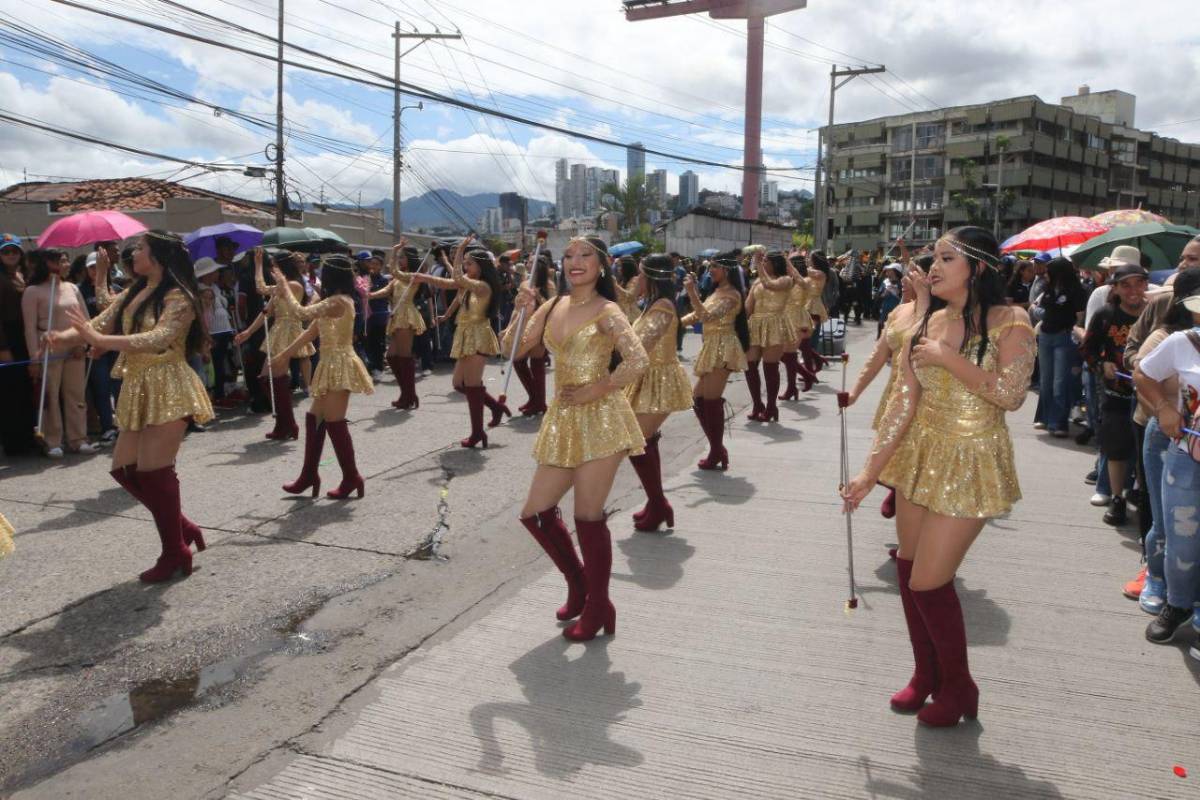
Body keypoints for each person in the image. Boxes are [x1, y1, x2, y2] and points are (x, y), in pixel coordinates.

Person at [842, 226, 1035, 728]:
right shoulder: (928, 320)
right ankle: (926, 672)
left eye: (947, 258)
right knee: (908, 568)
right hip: (920, 454)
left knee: (930, 582)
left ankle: (960, 686)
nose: (933, 266)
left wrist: (950, 359)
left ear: (980, 268)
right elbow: (905, 401)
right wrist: (869, 472)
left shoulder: (1011, 320)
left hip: (971, 458)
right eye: (934, 258)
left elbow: (1011, 395)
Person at [502, 235, 648, 641]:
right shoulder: (551, 306)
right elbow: (508, 350)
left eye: (585, 255)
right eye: (568, 256)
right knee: (534, 511)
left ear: (601, 265)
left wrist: (597, 388)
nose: (575, 261)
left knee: (587, 515)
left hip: (601, 419)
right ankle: (581, 585)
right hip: (563, 419)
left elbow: (638, 359)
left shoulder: (608, 310)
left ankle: (598, 607)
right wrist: (519, 313)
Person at [49, 231, 213, 582]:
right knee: (125, 470)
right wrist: (61, 338)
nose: (133, 252)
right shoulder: (137, 291)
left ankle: (175, 551)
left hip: (169, 384)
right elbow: (103, 318)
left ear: (158, 257)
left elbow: (158, 338)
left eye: (140, 248)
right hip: (138, 386)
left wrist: (102, 342)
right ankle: (183, 528)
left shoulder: (179, 296)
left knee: (155, 471)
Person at [271, 254, 373, 500]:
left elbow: (300, 313)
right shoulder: (330, 301)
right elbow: (311, 331)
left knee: (335, 422)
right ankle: (309, 476)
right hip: (329, 364)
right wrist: (284, 354)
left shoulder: (338, 301)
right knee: (313, 417)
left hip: (340, 364)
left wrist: (284, 285)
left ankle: (351, 477)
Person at [1128, 268, 1200, 613]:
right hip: (1169, 438)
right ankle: (1157, 577)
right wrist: (1164, 409)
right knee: (1167, 523)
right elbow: (1140, 374)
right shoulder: (1171, 338)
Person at [845, 256, 932, 521]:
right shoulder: (898, 311)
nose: (905, 279)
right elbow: (878, 355)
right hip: (897, 393)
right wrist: (855, 392)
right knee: (894, 452)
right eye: (906, 274)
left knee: (917, 461)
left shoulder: (943, 316)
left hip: (927, 400)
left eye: (913, 274)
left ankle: (913, 540)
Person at [411, 239, 509, 448]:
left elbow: (455, 277)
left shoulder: (483, 286)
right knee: (459, 384)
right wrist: (422, 277)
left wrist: (459, 251)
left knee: (472, 385)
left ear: (480, 266)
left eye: (468, 263)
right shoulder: (467, 283)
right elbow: (448, 284)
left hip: (478, 334)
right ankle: (495, 407)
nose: (465, 267)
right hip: (464, 334)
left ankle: (477, 433)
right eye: (464, 263)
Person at [623, 254, 692, 531]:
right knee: (643, 441)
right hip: (647, 378)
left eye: (640, 274)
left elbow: (643, 344)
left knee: (637, 442)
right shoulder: (650, 304)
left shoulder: (662, 307)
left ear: (650, 277)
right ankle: (656, 503)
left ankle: (659, 504)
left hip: (660, 379)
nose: (637, 279)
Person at [1082, 261, 1149, 526]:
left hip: (1150, 399)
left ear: (1146, 285)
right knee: (1116, 449)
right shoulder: (1106, 315)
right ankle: (1117, 497)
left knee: (1144, 452)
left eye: (1138, 283)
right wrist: (1101, 365)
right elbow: (1087, 349)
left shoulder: (1156, 315)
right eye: (1126, 284)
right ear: (1116, 288)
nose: (1133, 290)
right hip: (1116, 393)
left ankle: (1144, 497)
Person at [22, 248, 98, 458]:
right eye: (61, 261)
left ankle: (78, 438)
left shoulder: (72, 288)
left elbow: (84, 320)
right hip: (46, 348)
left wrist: (82, 343)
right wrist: (34, 357)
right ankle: (52, 440)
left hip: (74, 347)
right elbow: (29, 328)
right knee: (50, 395)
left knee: (76, 393)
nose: (66, 265)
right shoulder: (33, 291)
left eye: (66, 260)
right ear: (47, 263)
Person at [233, 251, 313, 440]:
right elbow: (266, 311)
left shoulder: (292, 285)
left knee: (271, 378)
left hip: (287, 331)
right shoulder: (281, 287)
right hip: (278, 331)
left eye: (274, 266)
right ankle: (285, 423)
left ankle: (287, 424)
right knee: (267, 378)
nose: (272, 269)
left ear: (282, 267)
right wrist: (248, 332)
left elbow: (261, 288)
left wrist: (259, 265)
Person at [681, 252, 749, 471]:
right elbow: (699, 315)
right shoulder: (717, 290)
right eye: (710, 267)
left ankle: (716, 451)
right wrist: (675, 323)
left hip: (724, 348)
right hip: (711, 347)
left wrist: (692, 292)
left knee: (709, 401)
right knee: (697, 400)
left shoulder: (732, 295)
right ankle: (717, 449)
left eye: (714, 267)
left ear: (726, 270)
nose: (710, 271)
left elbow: (707, 316)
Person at [1032, 257, 1087, 437]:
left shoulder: (1077, 290)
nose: (1046, 274)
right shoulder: (1048, 289)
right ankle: (1046, 418)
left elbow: (1080, 316)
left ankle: (1059, 422)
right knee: (1046, 380)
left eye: (1050, 271)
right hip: (1046, 336)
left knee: (1060, 382)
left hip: (1064, 337)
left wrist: (1073, 329)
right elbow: (1038, 308)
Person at [370, 241, 427, 410]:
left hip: (406, 315)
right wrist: (369, 295)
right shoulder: (398, 277)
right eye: (399, 257)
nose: (400, 260)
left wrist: (393, 251)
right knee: (391, 356)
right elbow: (387, 290)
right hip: (396, 315)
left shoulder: (414, 276)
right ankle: (408, 393)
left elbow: (392, 270)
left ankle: (408, 396)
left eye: (402, 257)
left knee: (403, 356)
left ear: (410, 259)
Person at [743, 251, 795, 422]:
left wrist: (757, 265)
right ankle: (758, 404)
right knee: (749, 365)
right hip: (755, 325)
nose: (763, 263)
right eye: (762, 260)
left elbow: (770, 285)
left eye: (765, 261)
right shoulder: (757, 281)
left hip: (774, 324)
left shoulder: (786, 280)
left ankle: (771, 407)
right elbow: (749, 306)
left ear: (775, 263)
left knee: (770, 368)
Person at [0, 234, 38, 457]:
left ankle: (27, 437)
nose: (11, 255)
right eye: (6, 251)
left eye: (14, 251)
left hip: (24, 336)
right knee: (9, 393)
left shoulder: (24, 275)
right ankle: (14, 443)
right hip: (7, 337)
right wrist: (3, 348)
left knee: (24, 390)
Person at [510, 249, 556, 417]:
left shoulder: (549, 285)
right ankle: (534, 398)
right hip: (523, 327)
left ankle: (539, 403)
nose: (527, 263)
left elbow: (553, 308)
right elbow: (516, 307)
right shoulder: (525, 283)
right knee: (518, 361)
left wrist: (538, 297)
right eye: (528, 261)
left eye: (530, 261)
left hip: (540, 329)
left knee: (536, 364)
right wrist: (509, 328)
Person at [778, 253, 818, 399]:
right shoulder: (787, 282)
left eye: (791, 267)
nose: (788, 270)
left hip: (798, 320)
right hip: (785, 319)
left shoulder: (806, 281)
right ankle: (804, 377)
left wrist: (788, 262)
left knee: (788, 355)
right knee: (784, 355)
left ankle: (793, 387)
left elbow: (801, 280)